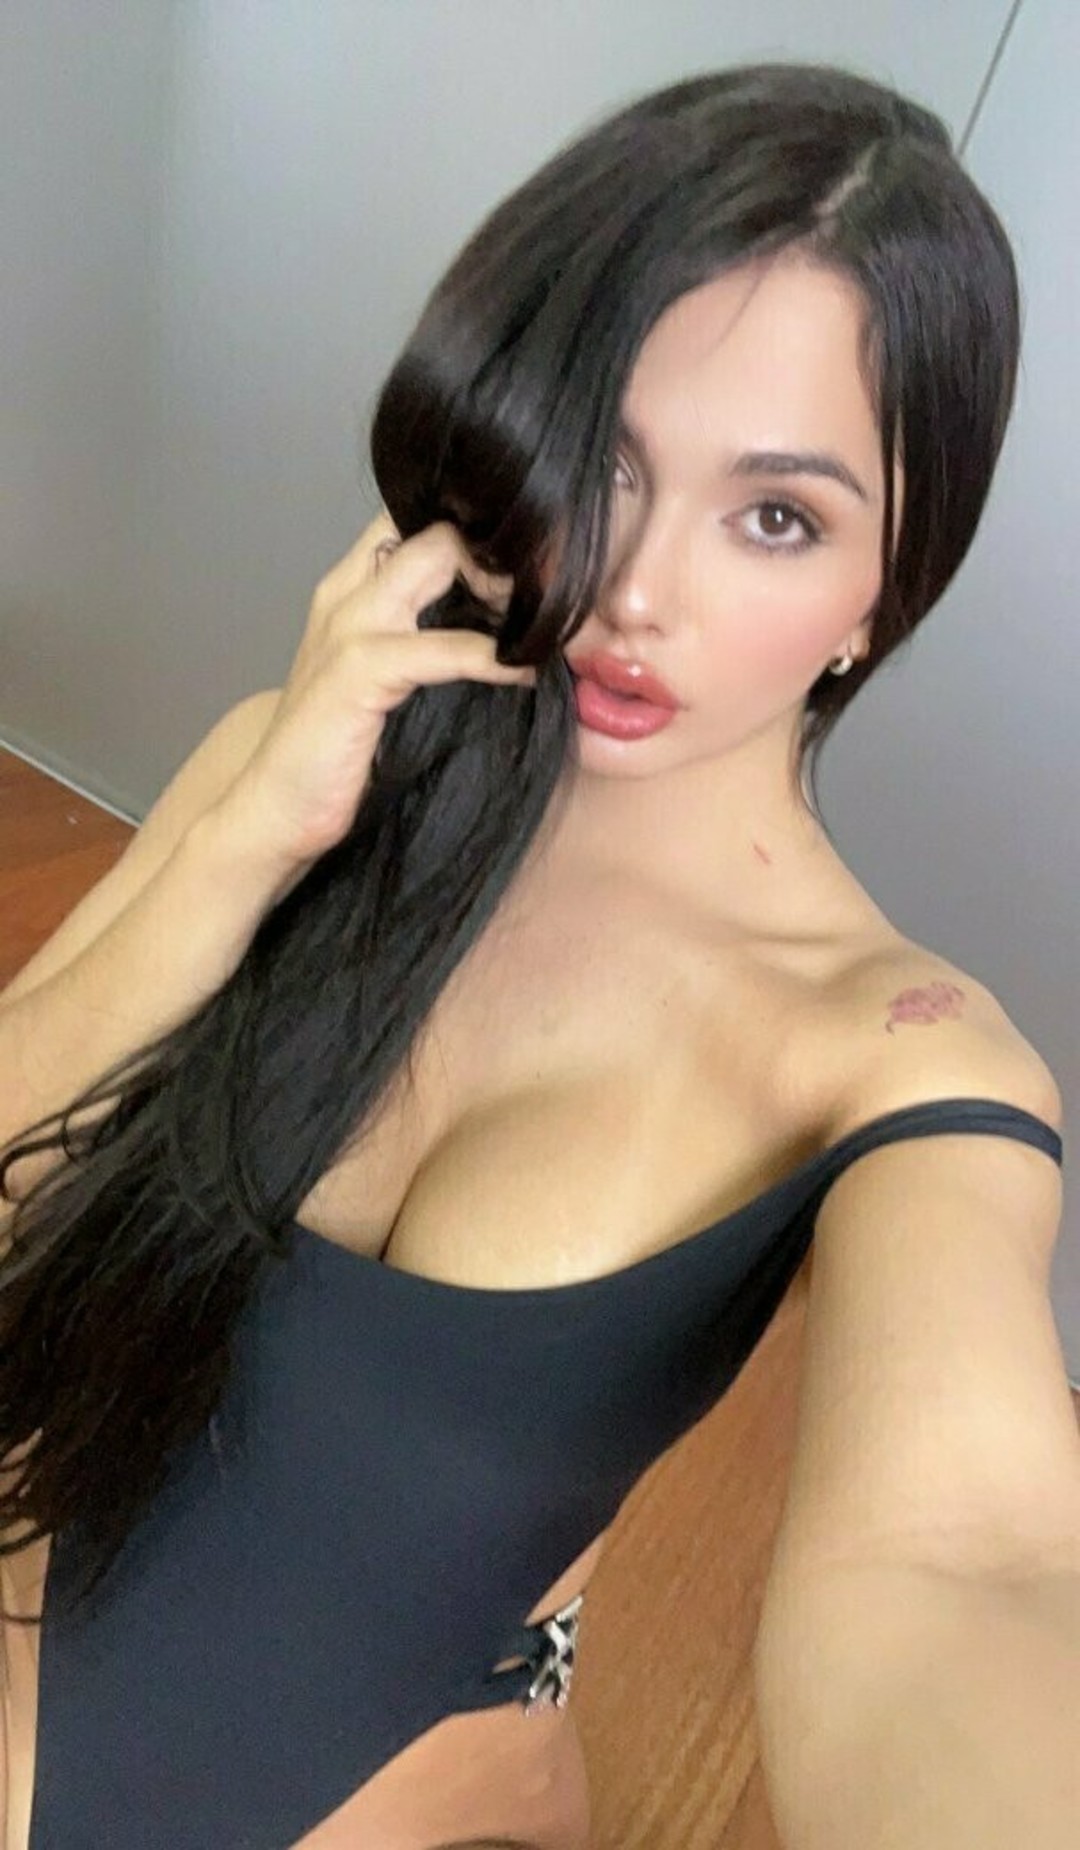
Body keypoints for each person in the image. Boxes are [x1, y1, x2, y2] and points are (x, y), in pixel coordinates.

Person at [0, 59, 1063, 1850]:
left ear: (883, 587)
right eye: (603, 463)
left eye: (777, 516)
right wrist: (243, 839)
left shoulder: (897, 1058)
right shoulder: (309, 769)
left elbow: (968, 1565)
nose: (633, 590)